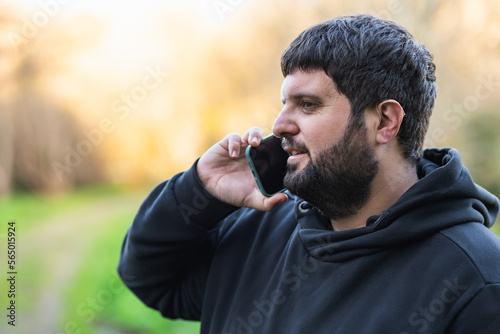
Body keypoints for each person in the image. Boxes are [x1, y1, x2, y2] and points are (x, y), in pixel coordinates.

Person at [117, 14, 500, 333]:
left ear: (385, 121)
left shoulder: (477, 279)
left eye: (308, 104)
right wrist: (200, 189)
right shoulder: (259, 227)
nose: (279, 124)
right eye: (284, 103)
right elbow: (150, 280)